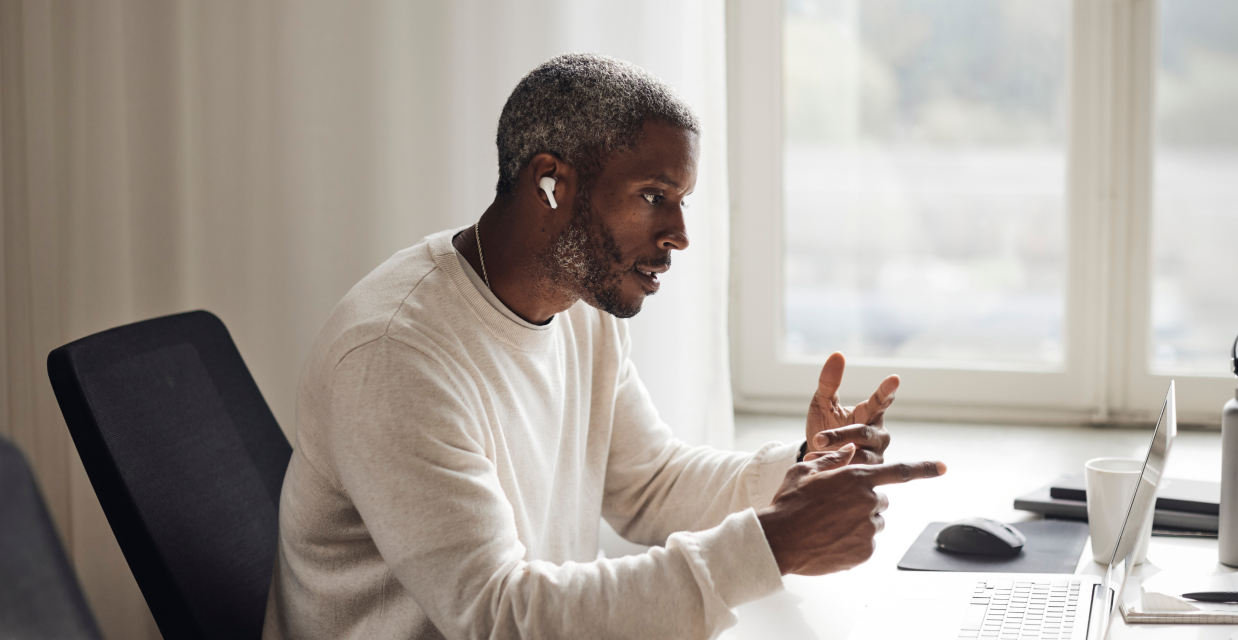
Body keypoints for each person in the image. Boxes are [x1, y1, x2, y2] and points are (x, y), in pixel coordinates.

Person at [263, 53, 946, 640]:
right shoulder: (395, 356)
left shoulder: (582, 304)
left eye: (682, 201)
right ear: (549, 181)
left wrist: (803, 470)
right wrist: (770, 543)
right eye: (654, 195)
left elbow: (649, 485)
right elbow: (496, 617)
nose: (679, 232)